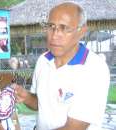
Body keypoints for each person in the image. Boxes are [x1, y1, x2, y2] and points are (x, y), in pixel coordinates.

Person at [13, 1, 110, 130]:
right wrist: (26, 97)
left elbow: (73, 128)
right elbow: (42, 104)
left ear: (81, 32)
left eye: (64, 28)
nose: (54, 35)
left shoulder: (94, 68)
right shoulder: (43, 61)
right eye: (51, 26)